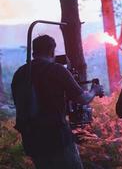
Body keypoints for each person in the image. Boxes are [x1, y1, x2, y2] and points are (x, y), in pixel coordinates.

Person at [11, 35, 104, 169]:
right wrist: (94, 91)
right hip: (57, 138)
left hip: (32, 140)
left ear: (33, 52)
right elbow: (83, 99)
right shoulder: (56, 70)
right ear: (51, 51)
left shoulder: (19, 73)